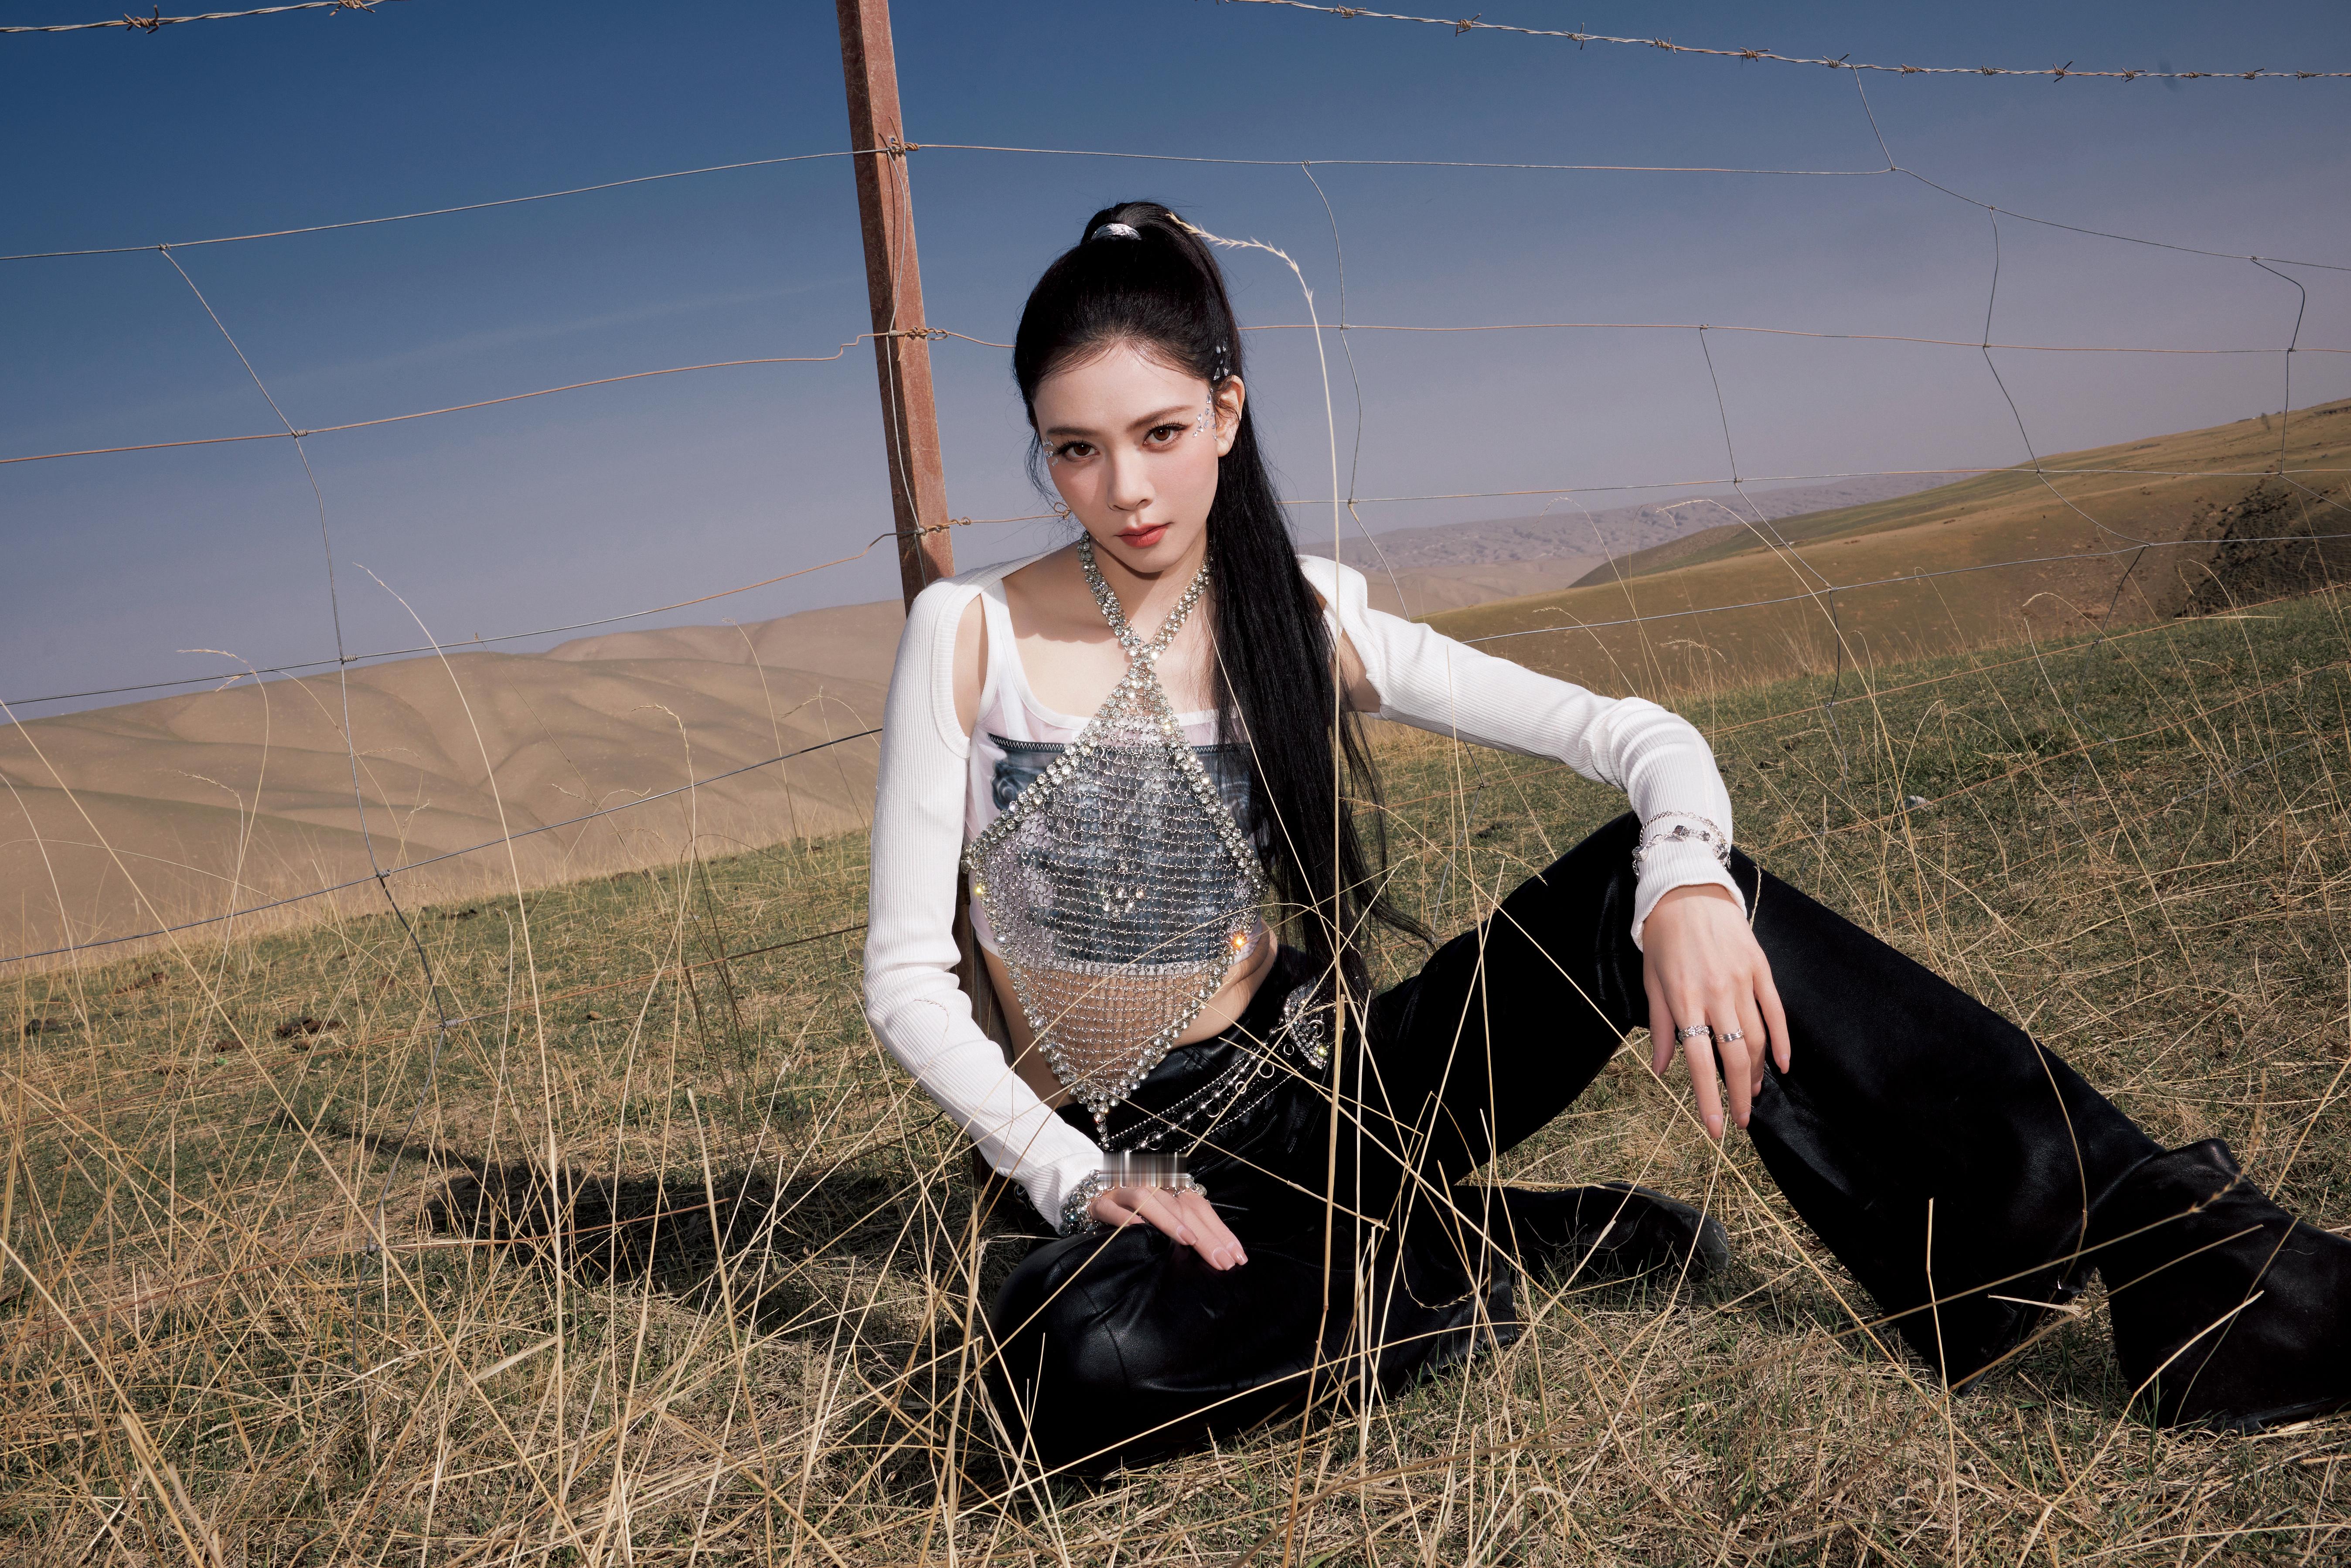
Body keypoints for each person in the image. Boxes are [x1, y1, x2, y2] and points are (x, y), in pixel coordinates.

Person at [861, 201, 2350, 1474]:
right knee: (1066, 1368)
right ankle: (1465, 1249)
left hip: (1340, 1088)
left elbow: (1639, 734)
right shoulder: (969, 634)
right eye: (1075, 450)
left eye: (1161, 433)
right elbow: (907, 979)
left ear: (1228, 415)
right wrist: (1071, 1175)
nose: (1125, 488)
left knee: (1664, 891)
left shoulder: (1299, 615)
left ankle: (2191, 1262)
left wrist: (1685, 879)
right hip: (1134, 1160)